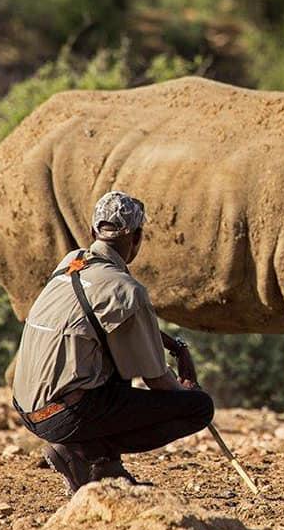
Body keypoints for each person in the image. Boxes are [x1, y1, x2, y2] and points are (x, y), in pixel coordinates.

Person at [11, 191, 213, 495]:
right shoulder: (127, 290)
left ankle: (105, 467)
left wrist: (166, 342)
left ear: (93, 232)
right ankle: (83, 453)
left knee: (112, 359)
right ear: (137, 237)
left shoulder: (71, 263)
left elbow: (95, 319)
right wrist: (187, 389)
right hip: (63, 417)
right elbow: (158, 382)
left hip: (27, 408)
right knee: (198, 408)